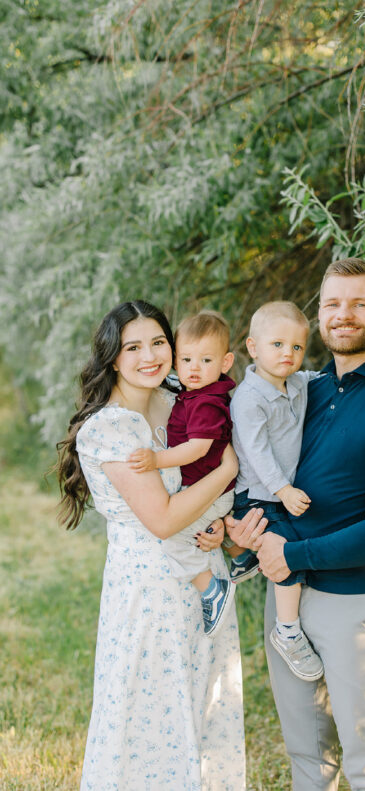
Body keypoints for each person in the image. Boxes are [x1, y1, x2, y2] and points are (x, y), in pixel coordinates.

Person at [228, 258, 365, 791]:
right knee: (307, 753)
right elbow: (254, 464)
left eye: (359, 304)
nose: (343, 315)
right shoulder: (303, 390)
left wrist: (291, 556)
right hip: (286, 590)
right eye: (332, 304)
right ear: (319, 316)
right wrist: (243, 529)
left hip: (353, 601)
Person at [55, 300, 245, 790]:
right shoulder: (109, 428)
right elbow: (161, 519)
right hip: (149, 592)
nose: (149, 356)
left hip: (204, 575)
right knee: (148, 714)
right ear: (113, 358)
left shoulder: (180, 398)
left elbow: (194, 488)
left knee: (203, 708)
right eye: (133, 346)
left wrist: (221, 522)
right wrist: (226, 472)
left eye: (158, 342)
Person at [126, 309, 237, 636]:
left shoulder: (206, 402)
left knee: (173, 540)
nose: (195, 369)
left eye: (206, 361)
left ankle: (212, 589)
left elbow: (199, 447)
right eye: (187, 360)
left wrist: (157, 461)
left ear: (225, 363)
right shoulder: (193, 393)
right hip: (207, 490)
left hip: (210, 491)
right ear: (176, 361)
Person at [230, 300, 323, 682]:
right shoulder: (249, 399)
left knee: (294, 536)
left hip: (277, 493)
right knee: (285, 550)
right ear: (253, 347)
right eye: (278, 345)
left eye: (297, 347)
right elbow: (258, 452)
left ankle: (244, 561)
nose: (289, 354)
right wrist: (283, 490)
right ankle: (287, 631)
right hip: (256, 493)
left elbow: (323, 377)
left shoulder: (297, 382)